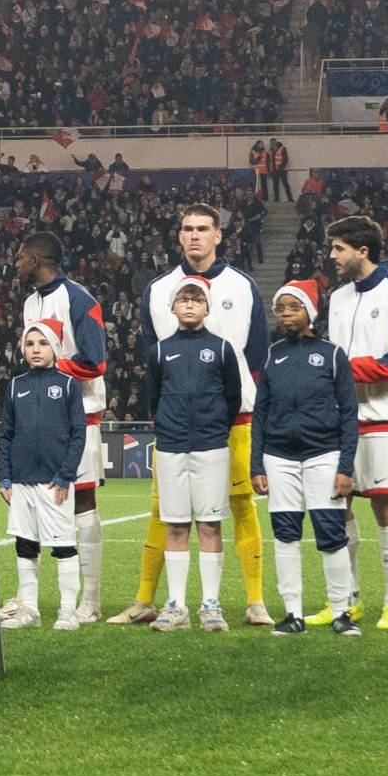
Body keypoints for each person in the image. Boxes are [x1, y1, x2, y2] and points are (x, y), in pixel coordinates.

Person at [127, 204, 264, 623]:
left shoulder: (242, 285)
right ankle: (147, 600)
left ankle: (255, 601)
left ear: (218, 235)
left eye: (203, 228)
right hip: (176, 423)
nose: (194, 236)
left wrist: (228, 406)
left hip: (233, 419)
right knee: (164, 511)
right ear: (179, 236)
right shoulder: (158, 290)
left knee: (240, 505)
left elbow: (256, 354)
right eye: (187, 229)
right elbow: (152, 359)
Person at [317, 213, 388, 629]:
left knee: (386, 507)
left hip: (383, 419)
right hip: (339, 421)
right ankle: (347, 601)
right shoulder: (338, 298)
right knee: (337, 507)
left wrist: (346, 370)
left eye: (338, 248)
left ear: (363, 250)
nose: (332, 256)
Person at [6, 232, 110, 601]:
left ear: (35, 260)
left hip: (79, 415)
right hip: (36, 417)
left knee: (81, 502)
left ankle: (90, 599)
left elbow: (95, 362)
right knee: (30, 500)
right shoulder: (30, 303)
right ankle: (27, 597)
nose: (16, 263)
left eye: (20, 256)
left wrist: (53, 366)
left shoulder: (79, 299)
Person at [249, 279, 356, 638]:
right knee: (285, 535)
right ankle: (293, 614)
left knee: (331, 534)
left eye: (293, 307)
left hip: (324, 454)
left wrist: (345, 466)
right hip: (278, 457)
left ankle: (341, 612)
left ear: (310, 311)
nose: (285, 314)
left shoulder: (332, 354)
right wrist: (257, 465)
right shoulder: (272, 354)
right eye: (280, 308)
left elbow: (349, 413)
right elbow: (260, 413)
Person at [144, 277, 250, 631]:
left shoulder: (222, 349)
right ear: (172, 307)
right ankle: (176, 606)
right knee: (175, 525)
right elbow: (154, 397)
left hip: (211, 446)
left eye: (196, 299)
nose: (189, 304)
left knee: (209, 524)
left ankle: (210, 605)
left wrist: (215, 425)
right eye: (183, 299)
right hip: (171, 446)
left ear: (207, 307)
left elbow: (232, 397)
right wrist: (168, 425)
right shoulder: (160, 351)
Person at [0, 304, 94, 631]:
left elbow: (78, 434)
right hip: (21, 480)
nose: (35, 349)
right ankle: (30, 610)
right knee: (25, 544)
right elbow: (6, 433)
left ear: (54, 348)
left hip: (55, 482)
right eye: (29, 344)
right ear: (23, 349)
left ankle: (67, 611)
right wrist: (5, 475)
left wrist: (65, 475)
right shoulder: (15, 385)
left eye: (42, 343)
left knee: (63, 544)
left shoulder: (67, 385)